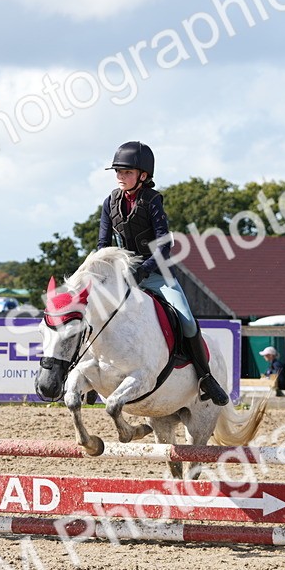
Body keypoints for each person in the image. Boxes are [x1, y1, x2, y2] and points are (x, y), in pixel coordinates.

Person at [97, 141, 229, 405]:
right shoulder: (110, 202)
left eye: (127, 172)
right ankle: (90, 374)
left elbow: (164, 246)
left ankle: (205, 378)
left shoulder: (152, 201)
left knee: (188, 321)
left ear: (143, 176)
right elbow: (103, 244)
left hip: (157, 274)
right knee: (92, 311)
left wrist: (142, 272)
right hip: (123, 274)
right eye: (118, 172)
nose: (120, 177)